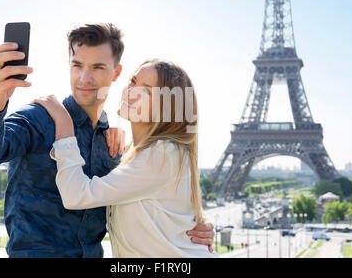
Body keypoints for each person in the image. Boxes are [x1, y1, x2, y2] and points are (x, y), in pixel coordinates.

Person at [0, 23, 215, 257]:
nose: (85, 78)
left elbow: (153, 203)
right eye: (77, 65)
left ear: (115, 73)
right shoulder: (40, 118)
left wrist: (192, 225)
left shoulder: (118, 147)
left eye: (97, 67)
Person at [34, 58, 219, 257]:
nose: (131, 92)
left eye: (146, 91)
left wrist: (64, 124)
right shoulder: (153, 153)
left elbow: (76, 195)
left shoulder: (163, 154)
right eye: (133, 81)